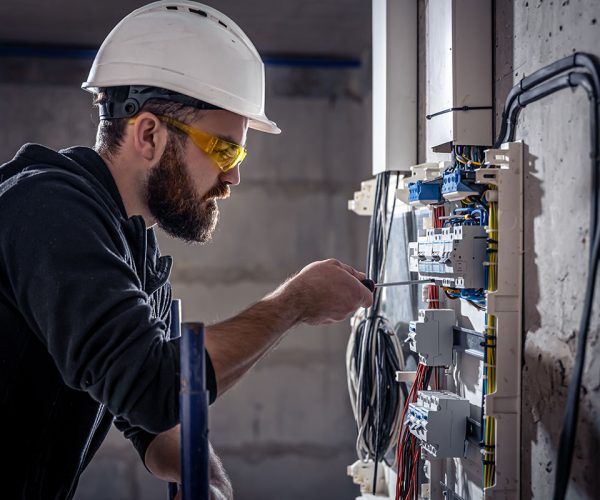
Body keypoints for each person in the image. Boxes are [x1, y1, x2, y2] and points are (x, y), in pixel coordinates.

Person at [0, 2, 373, 499]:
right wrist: (293, 304)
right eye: (223, 149)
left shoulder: (132, 250)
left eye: (239, 154)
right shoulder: (47, 209)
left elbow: (150, 418)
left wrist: (206, 477)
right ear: (149, 134)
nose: (234, 175)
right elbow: (154, 386)